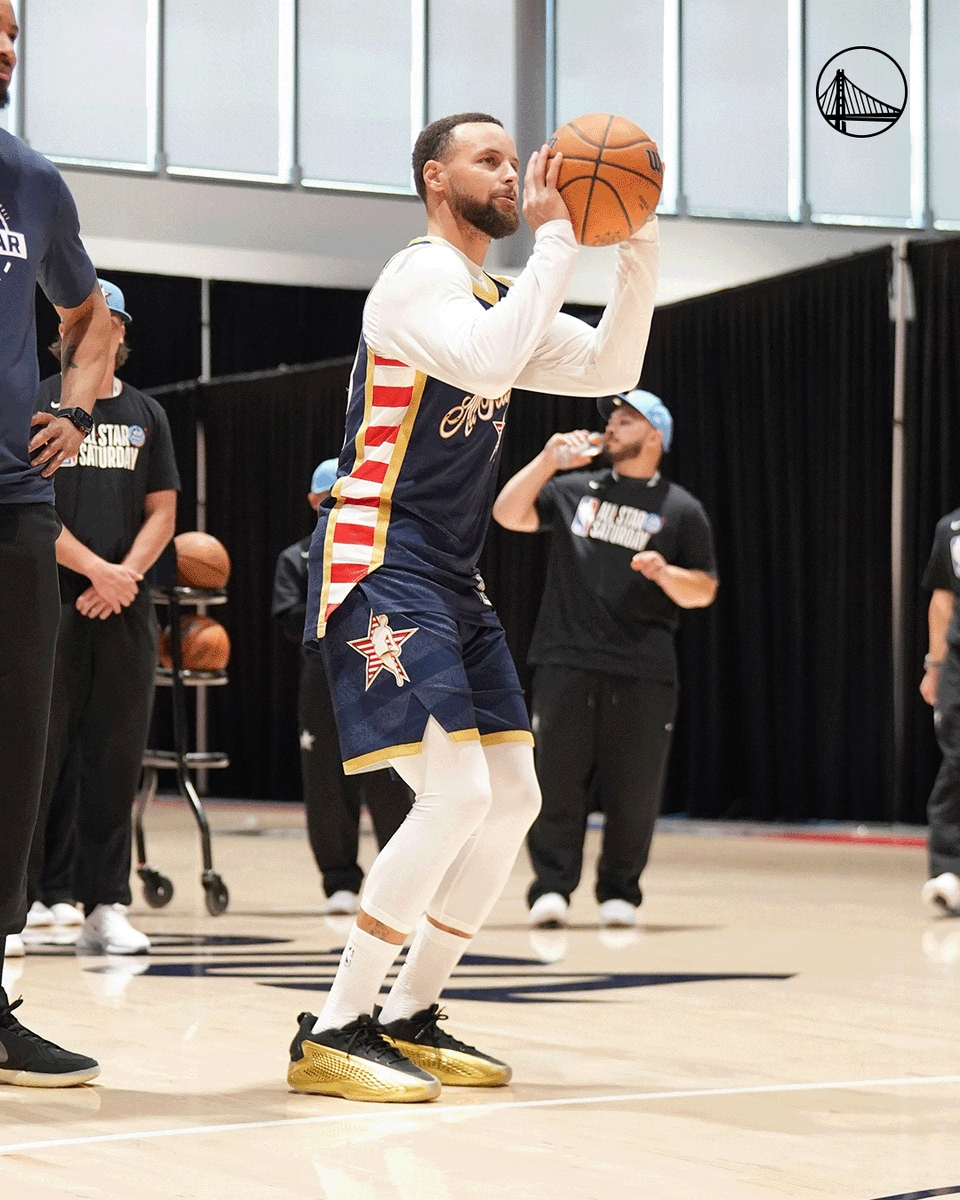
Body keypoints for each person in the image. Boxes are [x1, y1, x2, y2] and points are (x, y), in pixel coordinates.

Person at [289, 111, 659, 1102]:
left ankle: (411, 1011)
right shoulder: (418, 279)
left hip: (452, 577)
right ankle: (333, 1027)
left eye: (514, 157)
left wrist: (641, 247)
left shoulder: (496, 295)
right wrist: (561, 237)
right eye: (487, 158)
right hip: (379, 563)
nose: (509, 170)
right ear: (433, 176)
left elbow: (608, 369)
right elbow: (492, 361)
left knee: (517, 801)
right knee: (455, 797)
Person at [493, 390, 718, 931]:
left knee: (634, 787)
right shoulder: (574, 490)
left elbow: (704, 590)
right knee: (555, 779)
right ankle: (551, 888)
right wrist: (549, 459)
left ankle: (620, 890)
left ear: (655, 435)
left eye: (626, 419)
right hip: (565, 658)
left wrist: (666, 573)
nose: (612, 427)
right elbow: (508, 514)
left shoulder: (681, 509)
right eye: (611, 419)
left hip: (643, 667)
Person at [0, 0, 112, 1085]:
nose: (4, 48)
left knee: (12, 754)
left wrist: (74, 409)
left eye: (13, 33)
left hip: (11, 506)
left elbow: (93, 319)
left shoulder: (31, 180)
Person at [27, 279, 180, 956]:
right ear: (63, 335)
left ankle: (103, 906)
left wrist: (125, 579)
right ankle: (25, 899)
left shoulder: (149, 413)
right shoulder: (31, 402)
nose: (89, 334)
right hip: (47, 602)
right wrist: (96, 571)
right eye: (76, 323)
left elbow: (164, 511)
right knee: (35, 757)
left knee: (114, 758)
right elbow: (29, 507)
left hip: (124, 608)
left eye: (103, 324)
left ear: (119, 334)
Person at [272, 459, 412, 916]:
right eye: (330, 495)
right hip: (324, 678)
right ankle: (339, 880)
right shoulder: (297, 557)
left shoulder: (384, 553)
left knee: (391, 777)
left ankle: (398, 879)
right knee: (328, 779)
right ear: (314, 501)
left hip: (380, 673)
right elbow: (288, 615)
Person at [919, 506, 960, 915]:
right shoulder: (950, 528)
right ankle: (948, 871)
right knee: (956, 760)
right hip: (959, 664)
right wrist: (934, 665)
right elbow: (942, 600)